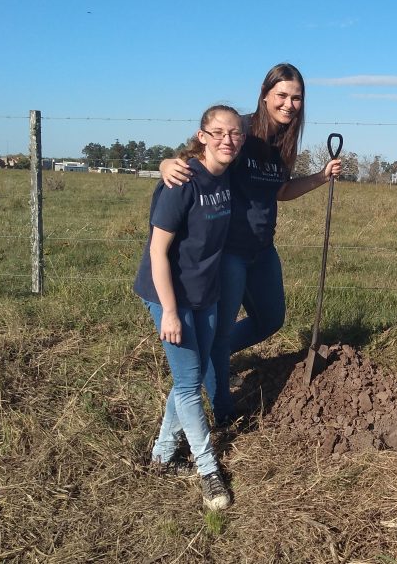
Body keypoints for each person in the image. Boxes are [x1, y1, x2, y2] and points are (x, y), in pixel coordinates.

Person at [159, 64, 341, 427]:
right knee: (220, 332)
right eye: (282, 95)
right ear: (265, 94)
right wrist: (167, 162)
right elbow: (198, 156)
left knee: (270, 319)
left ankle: (215, 356)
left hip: (262, 249)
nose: (289, 104)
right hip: (228, 251)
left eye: (296, 97)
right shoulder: (239, 130)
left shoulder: (283, 143)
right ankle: (224, 407)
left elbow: (281, 191)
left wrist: (321, 177)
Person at [134, 105, 243, 510]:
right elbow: (158, 251)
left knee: (190, 377)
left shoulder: (225, 173)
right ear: (201, 135)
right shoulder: (182, 181)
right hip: (169, 295)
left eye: (234, 134)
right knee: (187, 382)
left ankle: (162, 456)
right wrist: (169, 311)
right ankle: (208, 470)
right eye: (218, 132)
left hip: (205, 293)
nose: (227, 140)